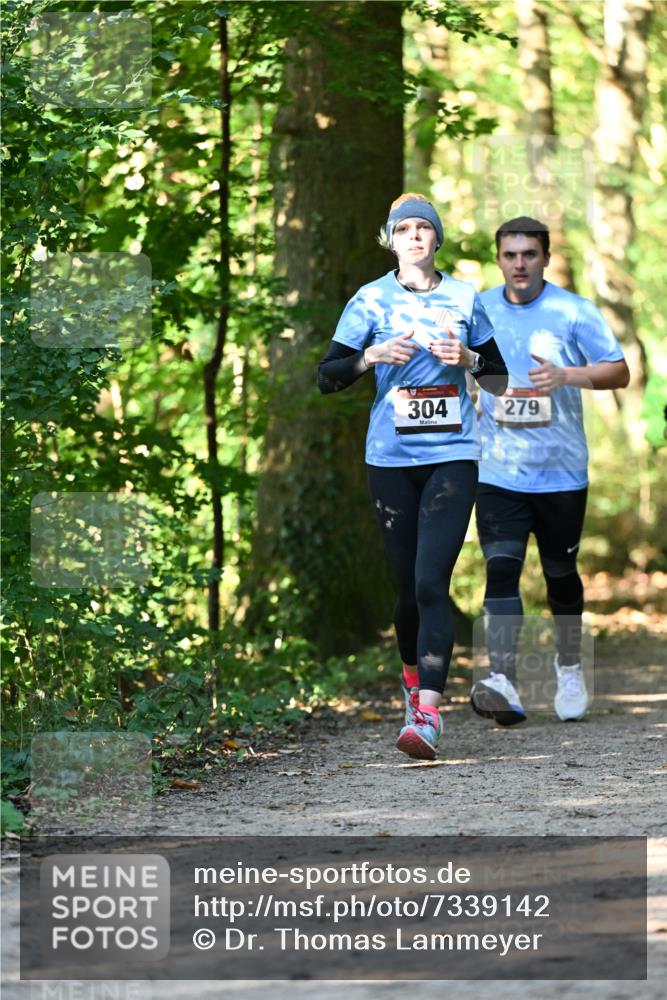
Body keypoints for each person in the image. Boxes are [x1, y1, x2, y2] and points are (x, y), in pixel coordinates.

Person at [317, 193, 508, 759]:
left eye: (425, 228)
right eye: (405, 229)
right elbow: (327, 378)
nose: (416, 236)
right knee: (406, 593)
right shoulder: (369, 299)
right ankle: (411, 683)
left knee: (431, 583)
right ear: (392, 240)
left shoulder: (465, 297)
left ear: (437, 239)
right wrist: (371, 357)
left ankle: (427, 714)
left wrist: (468, 359)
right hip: (391, 461)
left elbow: (498, 380)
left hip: (453, 456)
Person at [471, 217, 630, 726]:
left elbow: (619, 370)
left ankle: (568, 669)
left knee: (560, 576)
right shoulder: (478, 310)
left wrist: (568, 375)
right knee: (501, 571)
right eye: (511, 255)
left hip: (560, 472)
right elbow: (456, 363)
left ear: (545, 257)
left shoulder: (572, 311)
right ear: (499, 258)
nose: (520, 264)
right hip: (496, 471)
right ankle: (502, 680)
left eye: (529, 255)